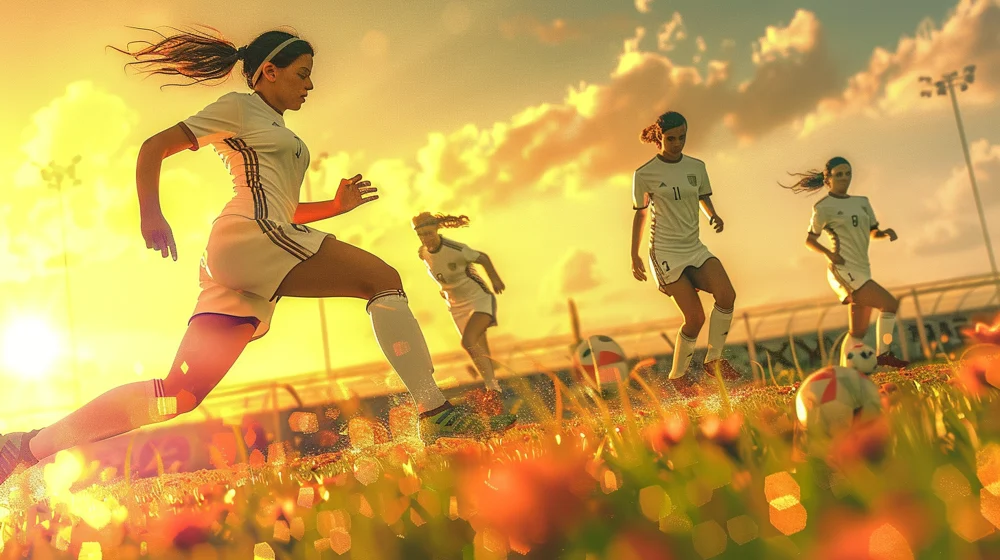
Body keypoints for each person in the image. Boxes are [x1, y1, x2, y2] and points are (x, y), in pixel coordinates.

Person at [0, 28, 512, 485]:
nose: (310, 85)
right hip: (251, 237)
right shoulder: (240, 108)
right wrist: (150, 215)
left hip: (251, 247)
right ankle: (435, 411)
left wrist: (334, 206)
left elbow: (283, 208)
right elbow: (153, 147)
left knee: (179, 393)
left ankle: (25, 447)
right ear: (268, 71)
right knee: (382, 278)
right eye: (302, 73)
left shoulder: (277, 129)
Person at [629, 111, 741, 395]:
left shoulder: (697, 167)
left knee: (726, 295)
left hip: (694, 247)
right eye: (671, 138)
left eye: (682, 137)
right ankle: (678, 376)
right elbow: (641, 215)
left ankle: (714, 360)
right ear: (659, 138)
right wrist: (634, 255)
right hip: (665, 252)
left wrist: (713, 215)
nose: (677, 143)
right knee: (695, 318)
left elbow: (702, 196)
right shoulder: (644, 174)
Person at [782, 156, 909, 369]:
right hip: (843, 270)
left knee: (858, 331)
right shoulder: (823, 207)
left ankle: (844, 371)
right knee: (889, 304)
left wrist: (884, 233)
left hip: (862, 269)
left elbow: (872, 232)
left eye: (848, 173)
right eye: (839, 174)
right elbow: (810, 241)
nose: (844, 178)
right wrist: (829, 254)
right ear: (828, 179)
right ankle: (884, 354)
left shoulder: (862, 202)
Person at [413, 212, 505, 395]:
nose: (426, 239)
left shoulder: (456, 249)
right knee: (481, 352)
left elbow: (483, 258)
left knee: (469, 341)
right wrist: (443, 289)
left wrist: (495, 279)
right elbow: (440, 272)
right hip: (455, 306)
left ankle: (493, 386)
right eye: (421, 235)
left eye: (429, 233)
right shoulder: (423, 253)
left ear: (436, 230)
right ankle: (493, 391)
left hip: (479, 299)